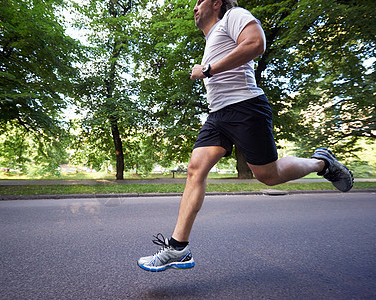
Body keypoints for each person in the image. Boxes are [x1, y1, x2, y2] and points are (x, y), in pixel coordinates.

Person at [137, 0, 354, 272]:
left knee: (268, 175)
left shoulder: (233, 16)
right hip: (218, 115)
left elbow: (255, 44)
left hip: (245, 107)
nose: (193, 7)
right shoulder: (213, 38)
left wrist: (207, 69)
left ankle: (322, 162)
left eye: (199, 1)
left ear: (216, 3)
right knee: (195, 170)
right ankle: (178, 248)